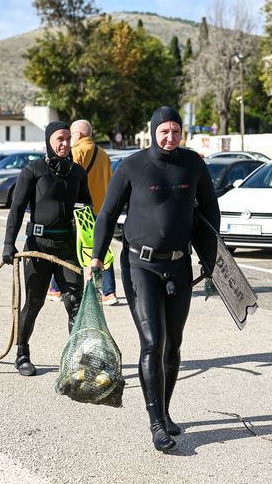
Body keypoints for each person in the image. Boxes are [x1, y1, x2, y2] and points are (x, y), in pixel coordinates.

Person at [90, 107, 219, 453]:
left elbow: (210, 211)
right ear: (152, 132)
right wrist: (96, 257)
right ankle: (157, 424)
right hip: (140, 266)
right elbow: (106, 215)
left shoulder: (192, 164)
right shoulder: (132, 166)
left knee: (174, 345)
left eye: (176, 131)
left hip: (179, 265)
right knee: (153, 342)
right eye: (164, 131)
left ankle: (165, 409)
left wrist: (212, 259)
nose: (170, 137)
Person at [2, 121, 91, 377]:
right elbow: (17, 209)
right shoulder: (33, 170)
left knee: (75, 303)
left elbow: (87, 211)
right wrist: (9, 243)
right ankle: (22, 354)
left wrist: (94, 250)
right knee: (34, 302)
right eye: (59, 139)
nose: (64, 143)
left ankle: (76, 359)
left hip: (67, 249)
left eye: (67, 138)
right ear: (49, 141)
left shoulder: (77, 173)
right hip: (37, 248)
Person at [70, 119, 118, 305]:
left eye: (71, 134)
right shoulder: (103, 154)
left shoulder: (77, 152)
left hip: (83, 210)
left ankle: (59, 288)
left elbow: (71, 182)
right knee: (103, 249)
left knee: (74, 248)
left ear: (79, 134)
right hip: (102, 209)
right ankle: (109, 292)